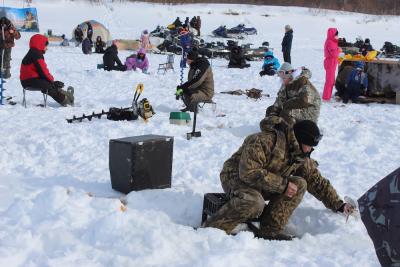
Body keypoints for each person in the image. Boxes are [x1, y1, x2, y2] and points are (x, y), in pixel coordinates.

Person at [203, 118, 355, 240]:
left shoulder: (299, 154)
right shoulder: (263, 141)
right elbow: (248, 172)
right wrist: (282, 185)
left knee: (300, 184)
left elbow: (316, 181)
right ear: (298, 140)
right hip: (236, 178)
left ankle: (270, 230)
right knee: (254, 202)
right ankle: (212, 229)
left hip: (263, 182)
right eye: (308, 146)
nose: (310, 150)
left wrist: (339, 204)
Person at [20, 34, 74, 106]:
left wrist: (52, 81)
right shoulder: (36, 54)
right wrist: (52, 81)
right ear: (40, 44)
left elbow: (41, 72)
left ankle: (66, 96)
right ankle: (66, 101)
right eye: (46, 46)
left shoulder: (33, 52)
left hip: (28, 80)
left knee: (50, 84)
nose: (47, 48)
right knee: (49, 86)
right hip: (29, 81)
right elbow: (43, 71)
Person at [322, 28, 340, 101]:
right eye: (336, 34)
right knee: (329, 81)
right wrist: (339, 50)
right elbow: (334, 53)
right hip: (330, 62)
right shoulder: (330, 42)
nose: (337, 36)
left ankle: (327, 96)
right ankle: (326, 97)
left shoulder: (333, 41)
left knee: (331, 80)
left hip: (332, 62)